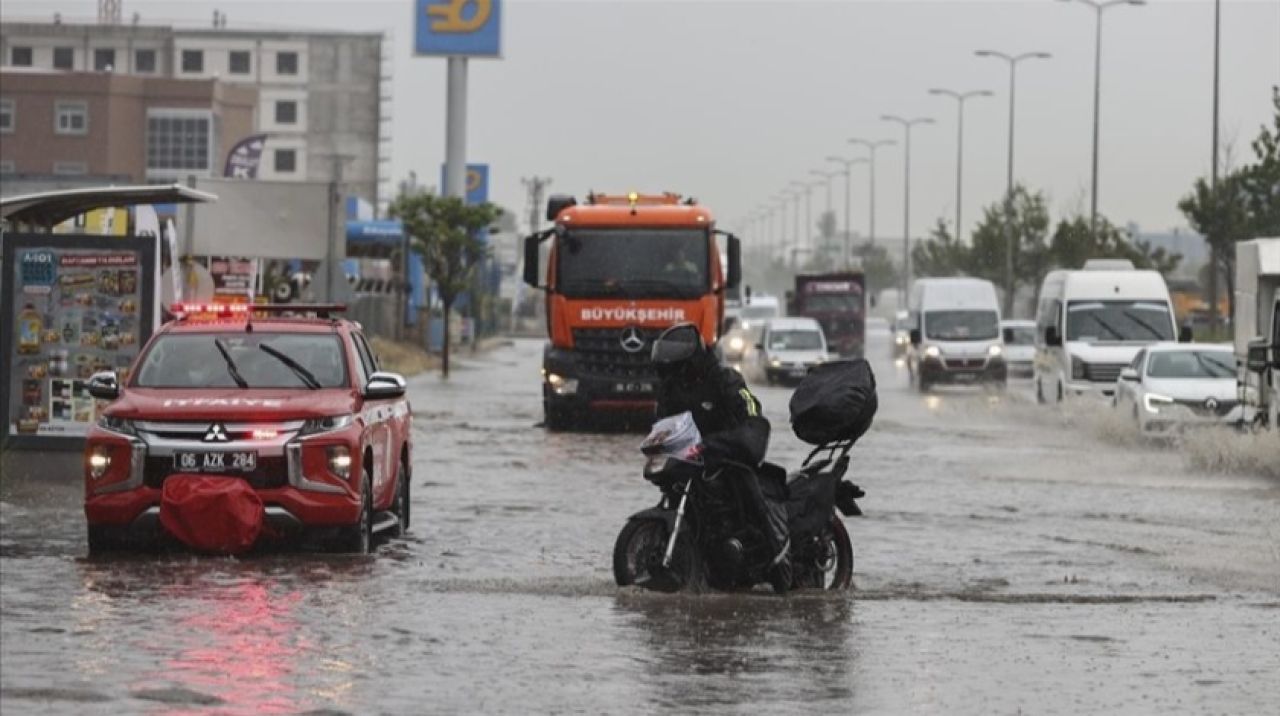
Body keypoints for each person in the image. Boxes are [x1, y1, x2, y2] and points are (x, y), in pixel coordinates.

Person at [650, 322, 793, 592]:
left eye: (676, 366)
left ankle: (777, 561)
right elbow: (661, 422)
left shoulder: (724, 379)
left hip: (729, 454)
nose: (671, 372)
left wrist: (747, 429)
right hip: (694, 458)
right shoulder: (670, 390)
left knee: (747, 488)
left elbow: (749, 406)